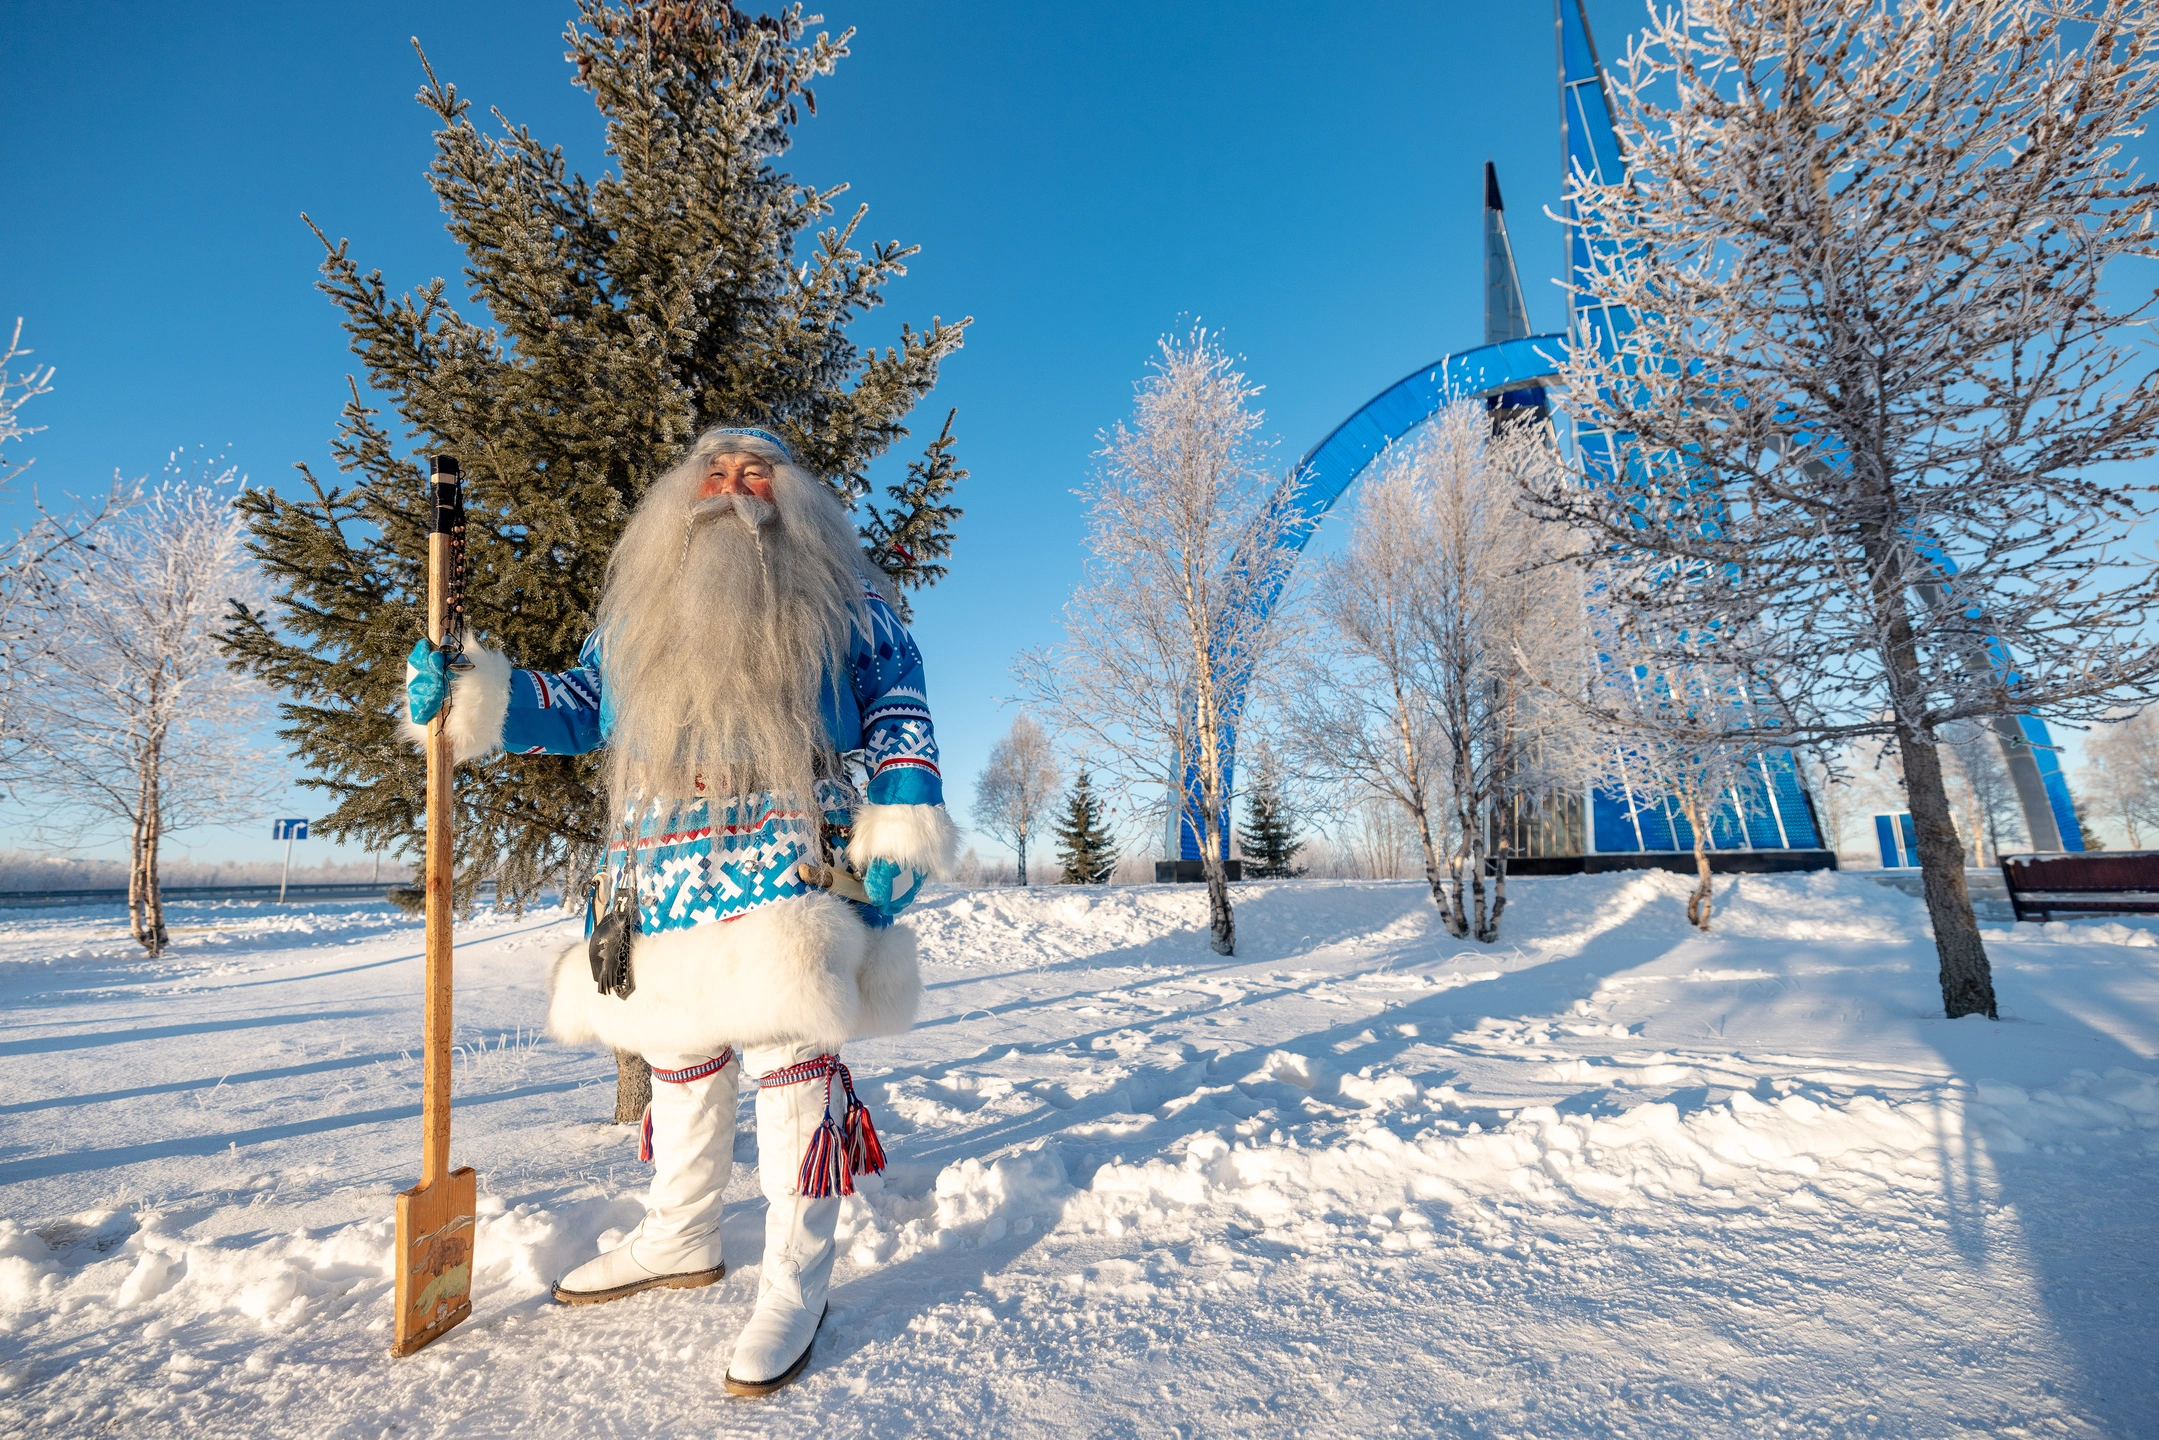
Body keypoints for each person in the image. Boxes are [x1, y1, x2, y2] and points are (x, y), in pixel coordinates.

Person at [403, 426, 954, 1396]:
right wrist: (473, 695)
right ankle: (679, 1234)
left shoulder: (844, 598)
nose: (735, 487)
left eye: (757, 474)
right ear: (682, 495)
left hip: (788, 859)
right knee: (678, 1055)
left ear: (793, 500)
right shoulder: (640, 614)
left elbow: (897, 704)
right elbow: (577, 703)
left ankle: (795, 1276)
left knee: (789, 1058)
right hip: (655, 871)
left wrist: (903, 808)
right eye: (717, 471)